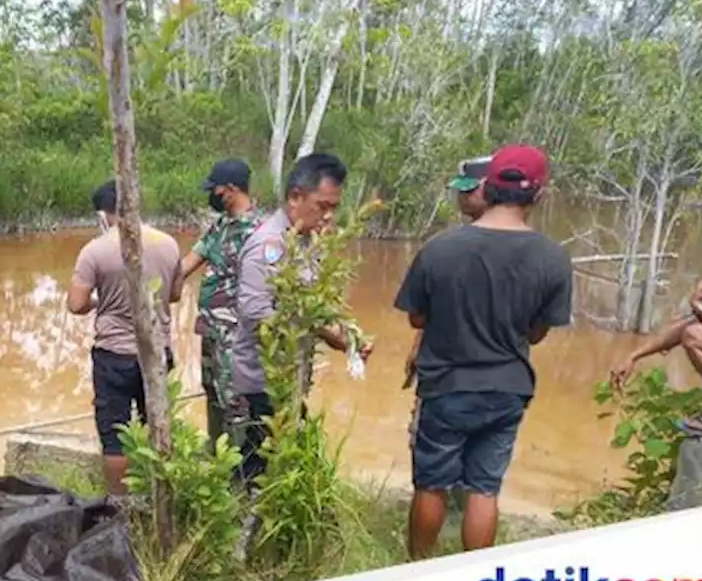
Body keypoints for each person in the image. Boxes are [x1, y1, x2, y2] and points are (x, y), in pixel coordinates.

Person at [393, 144, 572, 560]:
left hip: (446, 386)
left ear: (487, 187)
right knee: (484, 488)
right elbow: (538, 332)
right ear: (539, 194)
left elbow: (416, 318)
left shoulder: (440, 248)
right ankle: (475, 575)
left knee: (431, 483)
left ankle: (416, 569)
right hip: (507, 388)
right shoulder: (553, 258)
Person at [232, 152, 371, 486]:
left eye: (334, 208)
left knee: (272, 462)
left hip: (289, 375)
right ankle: (237, 526)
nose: (328, 216)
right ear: (295, 197)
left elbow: (313, 305)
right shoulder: (269, 245)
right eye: (322, 206)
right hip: (262, 380)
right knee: (261, 464)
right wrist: (324, 329)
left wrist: (345, 335)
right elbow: (255, 313)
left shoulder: (307, 243)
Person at [67, 180, 184, 495]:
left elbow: (76, 304)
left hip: (114, 356)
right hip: (157, 353)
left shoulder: (94, 250)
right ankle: (161, 494)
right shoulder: (169, 244)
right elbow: (174, 294)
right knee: (159, 425)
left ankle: (119, 506)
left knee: (115, 435)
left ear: (103, 214)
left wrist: (102, 301)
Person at [609, 220, 702, 437]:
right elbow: (690, 325)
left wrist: (698, 305)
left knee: (696, 335)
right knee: (695, 332)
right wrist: (634, 355)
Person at [179, 159, 264, 453]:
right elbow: (189, 263)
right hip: (211, 330)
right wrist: (154, 284)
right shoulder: (220, 226)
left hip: (236, 334)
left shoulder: (258, 233)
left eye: (215, 189)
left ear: (229, 190)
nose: (212, 195)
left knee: (236, 400)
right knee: (212, 392)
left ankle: (240, 469)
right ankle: (216, 453)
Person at [405, 156, 491, 388]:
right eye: (460, 191)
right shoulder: (449, 244)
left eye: (469, 190)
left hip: (461, 372)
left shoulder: (454, 246)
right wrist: (418, 346)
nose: (461, 197)